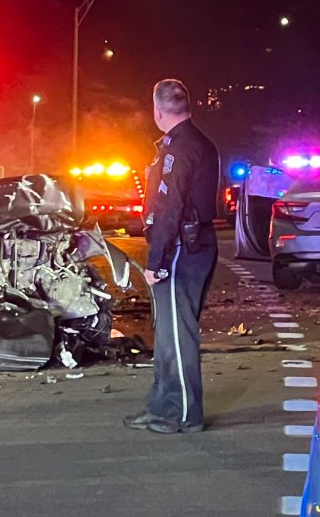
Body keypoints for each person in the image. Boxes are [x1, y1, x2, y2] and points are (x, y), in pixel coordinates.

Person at [124, 79, 219, 435]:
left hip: (182, 248)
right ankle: (161, 406)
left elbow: (169, 207)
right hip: (191, 244)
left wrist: (156, 261)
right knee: (166, 335)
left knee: (178, 336)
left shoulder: (178, 149)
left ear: (157, 110)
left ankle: (183, 414)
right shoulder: (197, 143)